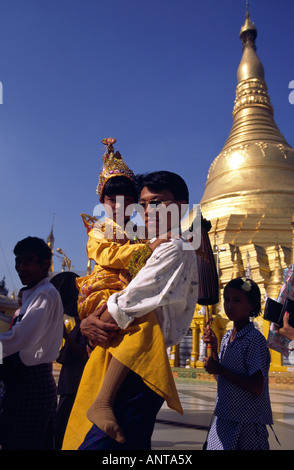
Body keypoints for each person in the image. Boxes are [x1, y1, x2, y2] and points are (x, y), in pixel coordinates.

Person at [62, 166, 199, 450]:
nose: (146, 210)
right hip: (105, 302)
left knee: (106, 445)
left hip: (137, 364)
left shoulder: (174, 246)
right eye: (145, 204)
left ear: (181, 207)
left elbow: (127, 304)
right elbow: (105, 256)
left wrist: (92, 323)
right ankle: (103, 401)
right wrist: (87, 322)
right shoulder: (105, 230)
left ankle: (104, 400)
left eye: (155, 203)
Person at [0, 236, 64, 450]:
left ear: (45, 263)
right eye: (18, 261)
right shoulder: (35, 293)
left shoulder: (45, 293)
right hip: (21, 380)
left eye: (29, 260)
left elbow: (21, 338)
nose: (21, 267)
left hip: (32, 382)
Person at [203, 277, 273, 450]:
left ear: (251, 305)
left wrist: (220, 369)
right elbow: (220, 375)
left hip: (247, 422)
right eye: (227, 299)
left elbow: (257, 386)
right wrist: (213, 344)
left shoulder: (254, 339)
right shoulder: (228, 337)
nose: (230, 305)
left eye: (237, 300)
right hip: (224, 416)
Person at [50, 272, 88, 450]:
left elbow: (84, 354)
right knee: (59, 429)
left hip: (76, 386)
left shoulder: (87, 325)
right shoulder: (78, 324)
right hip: (69, 385)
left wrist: (65, 334)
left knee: (63, 429)